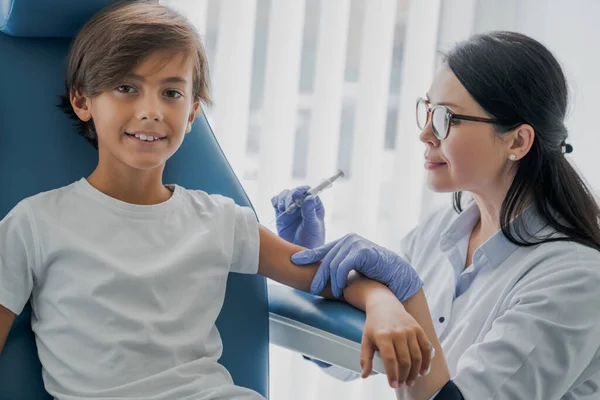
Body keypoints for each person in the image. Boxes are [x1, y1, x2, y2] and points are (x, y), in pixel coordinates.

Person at [0, 2, 435, 399]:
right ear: (82, 100)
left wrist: (382, 301)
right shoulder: (35, 224)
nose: (151, 109)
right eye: (125, 88)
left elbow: (319, 274)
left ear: (191, 113)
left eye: (171, 93)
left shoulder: (217, 219)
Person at [273, 31, 600, 399]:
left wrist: (402, 293)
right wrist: (311, 279)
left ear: (517, 141)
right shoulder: (440, 230)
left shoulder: (576, 279)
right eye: (427, 111)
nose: (426, 133)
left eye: (446, 118)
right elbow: (355, 356)